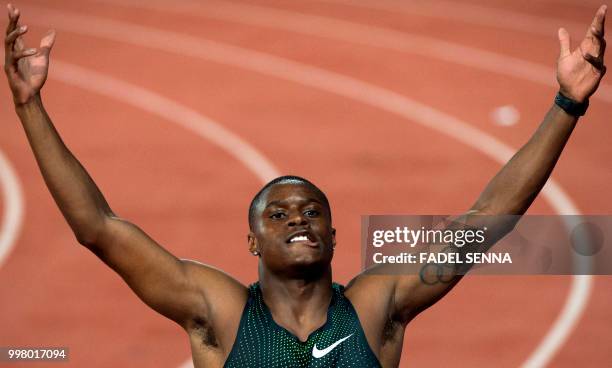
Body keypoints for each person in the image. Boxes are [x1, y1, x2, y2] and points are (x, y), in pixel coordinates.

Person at [3, 2, 607, 367]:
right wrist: (30, 107)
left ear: (335, 235)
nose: (298, 218)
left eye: (312, 210)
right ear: (251, 243)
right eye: (279, 213)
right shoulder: (218, 311)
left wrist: (566, 104)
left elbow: (485, 220)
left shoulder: (377, 305)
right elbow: (99, 229)